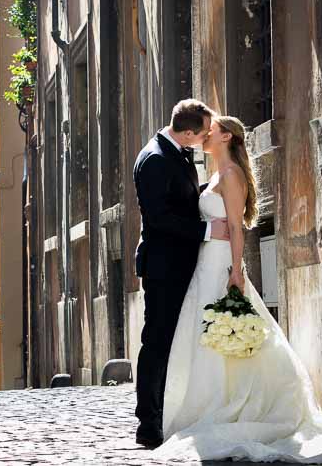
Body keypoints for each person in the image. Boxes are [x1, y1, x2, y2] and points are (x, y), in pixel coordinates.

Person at [152, 115, 322, 463]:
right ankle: (208, 403)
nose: (204, 134)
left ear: (226, 136)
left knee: (228, 332)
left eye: (210, 130)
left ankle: (240, 406)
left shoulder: (231, 176)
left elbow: (236, 227)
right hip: (206, 263)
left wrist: (236, 271)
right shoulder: (215, 174)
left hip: (222, 265)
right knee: (208, 337)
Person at [132, 99, 230, 448]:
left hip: (183, 263)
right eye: (203, 133)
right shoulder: (155, 159)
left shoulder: (177, 151)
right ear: (188, 133)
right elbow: (158, 218)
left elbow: (182, 202)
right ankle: (148, 424)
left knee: (173, 342)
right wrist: (207, 232)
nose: (206, 138)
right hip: (163, 266)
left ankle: (170, 413)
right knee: (157, 343)